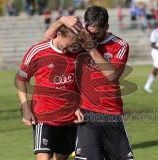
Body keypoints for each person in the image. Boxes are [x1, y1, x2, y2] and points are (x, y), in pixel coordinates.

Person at [45, 6, 134, 160]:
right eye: (89, 32)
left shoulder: (120, 45)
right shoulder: (78, 41)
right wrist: (60, 21)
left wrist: (91, 49)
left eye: (96, 34)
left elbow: (112, 75)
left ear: (106, 27)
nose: (91, 37)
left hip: (112, 114)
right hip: (86, 114)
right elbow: (49, 40)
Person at [15, 24, 84, 160]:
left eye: (73, 44)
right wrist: (26, 109)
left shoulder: (77, 53)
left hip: (69, 119)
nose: (69, 48)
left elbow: (81, 84)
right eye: (68, 43)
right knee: (43, 157)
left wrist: (78, 107)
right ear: (59, 34)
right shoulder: (38, 51)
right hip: (44, 117)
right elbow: (20, 79)